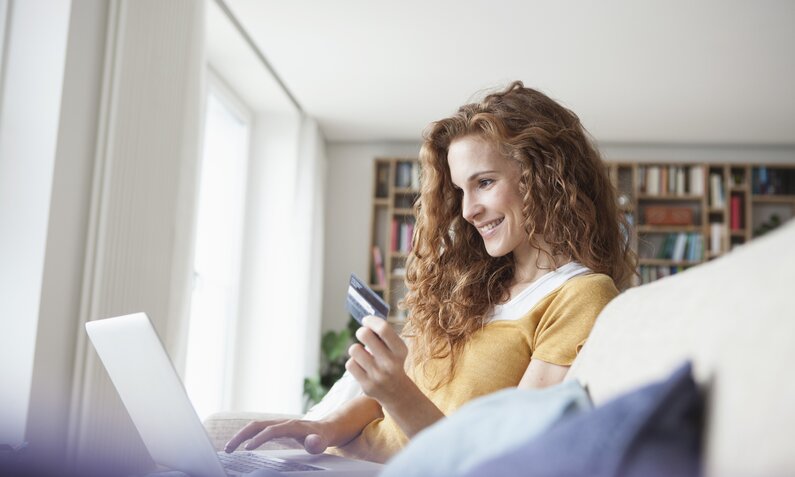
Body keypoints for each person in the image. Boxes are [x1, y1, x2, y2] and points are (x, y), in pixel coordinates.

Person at [224, 81, 636, 463]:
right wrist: (323, 427)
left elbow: (505, 463)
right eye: (460, 190)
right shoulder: (474, 285)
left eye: (485, 182)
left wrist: (398, 393)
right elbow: (380, 399)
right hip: (346, 463)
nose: (467, 210)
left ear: (545, 178)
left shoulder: (580, 295)